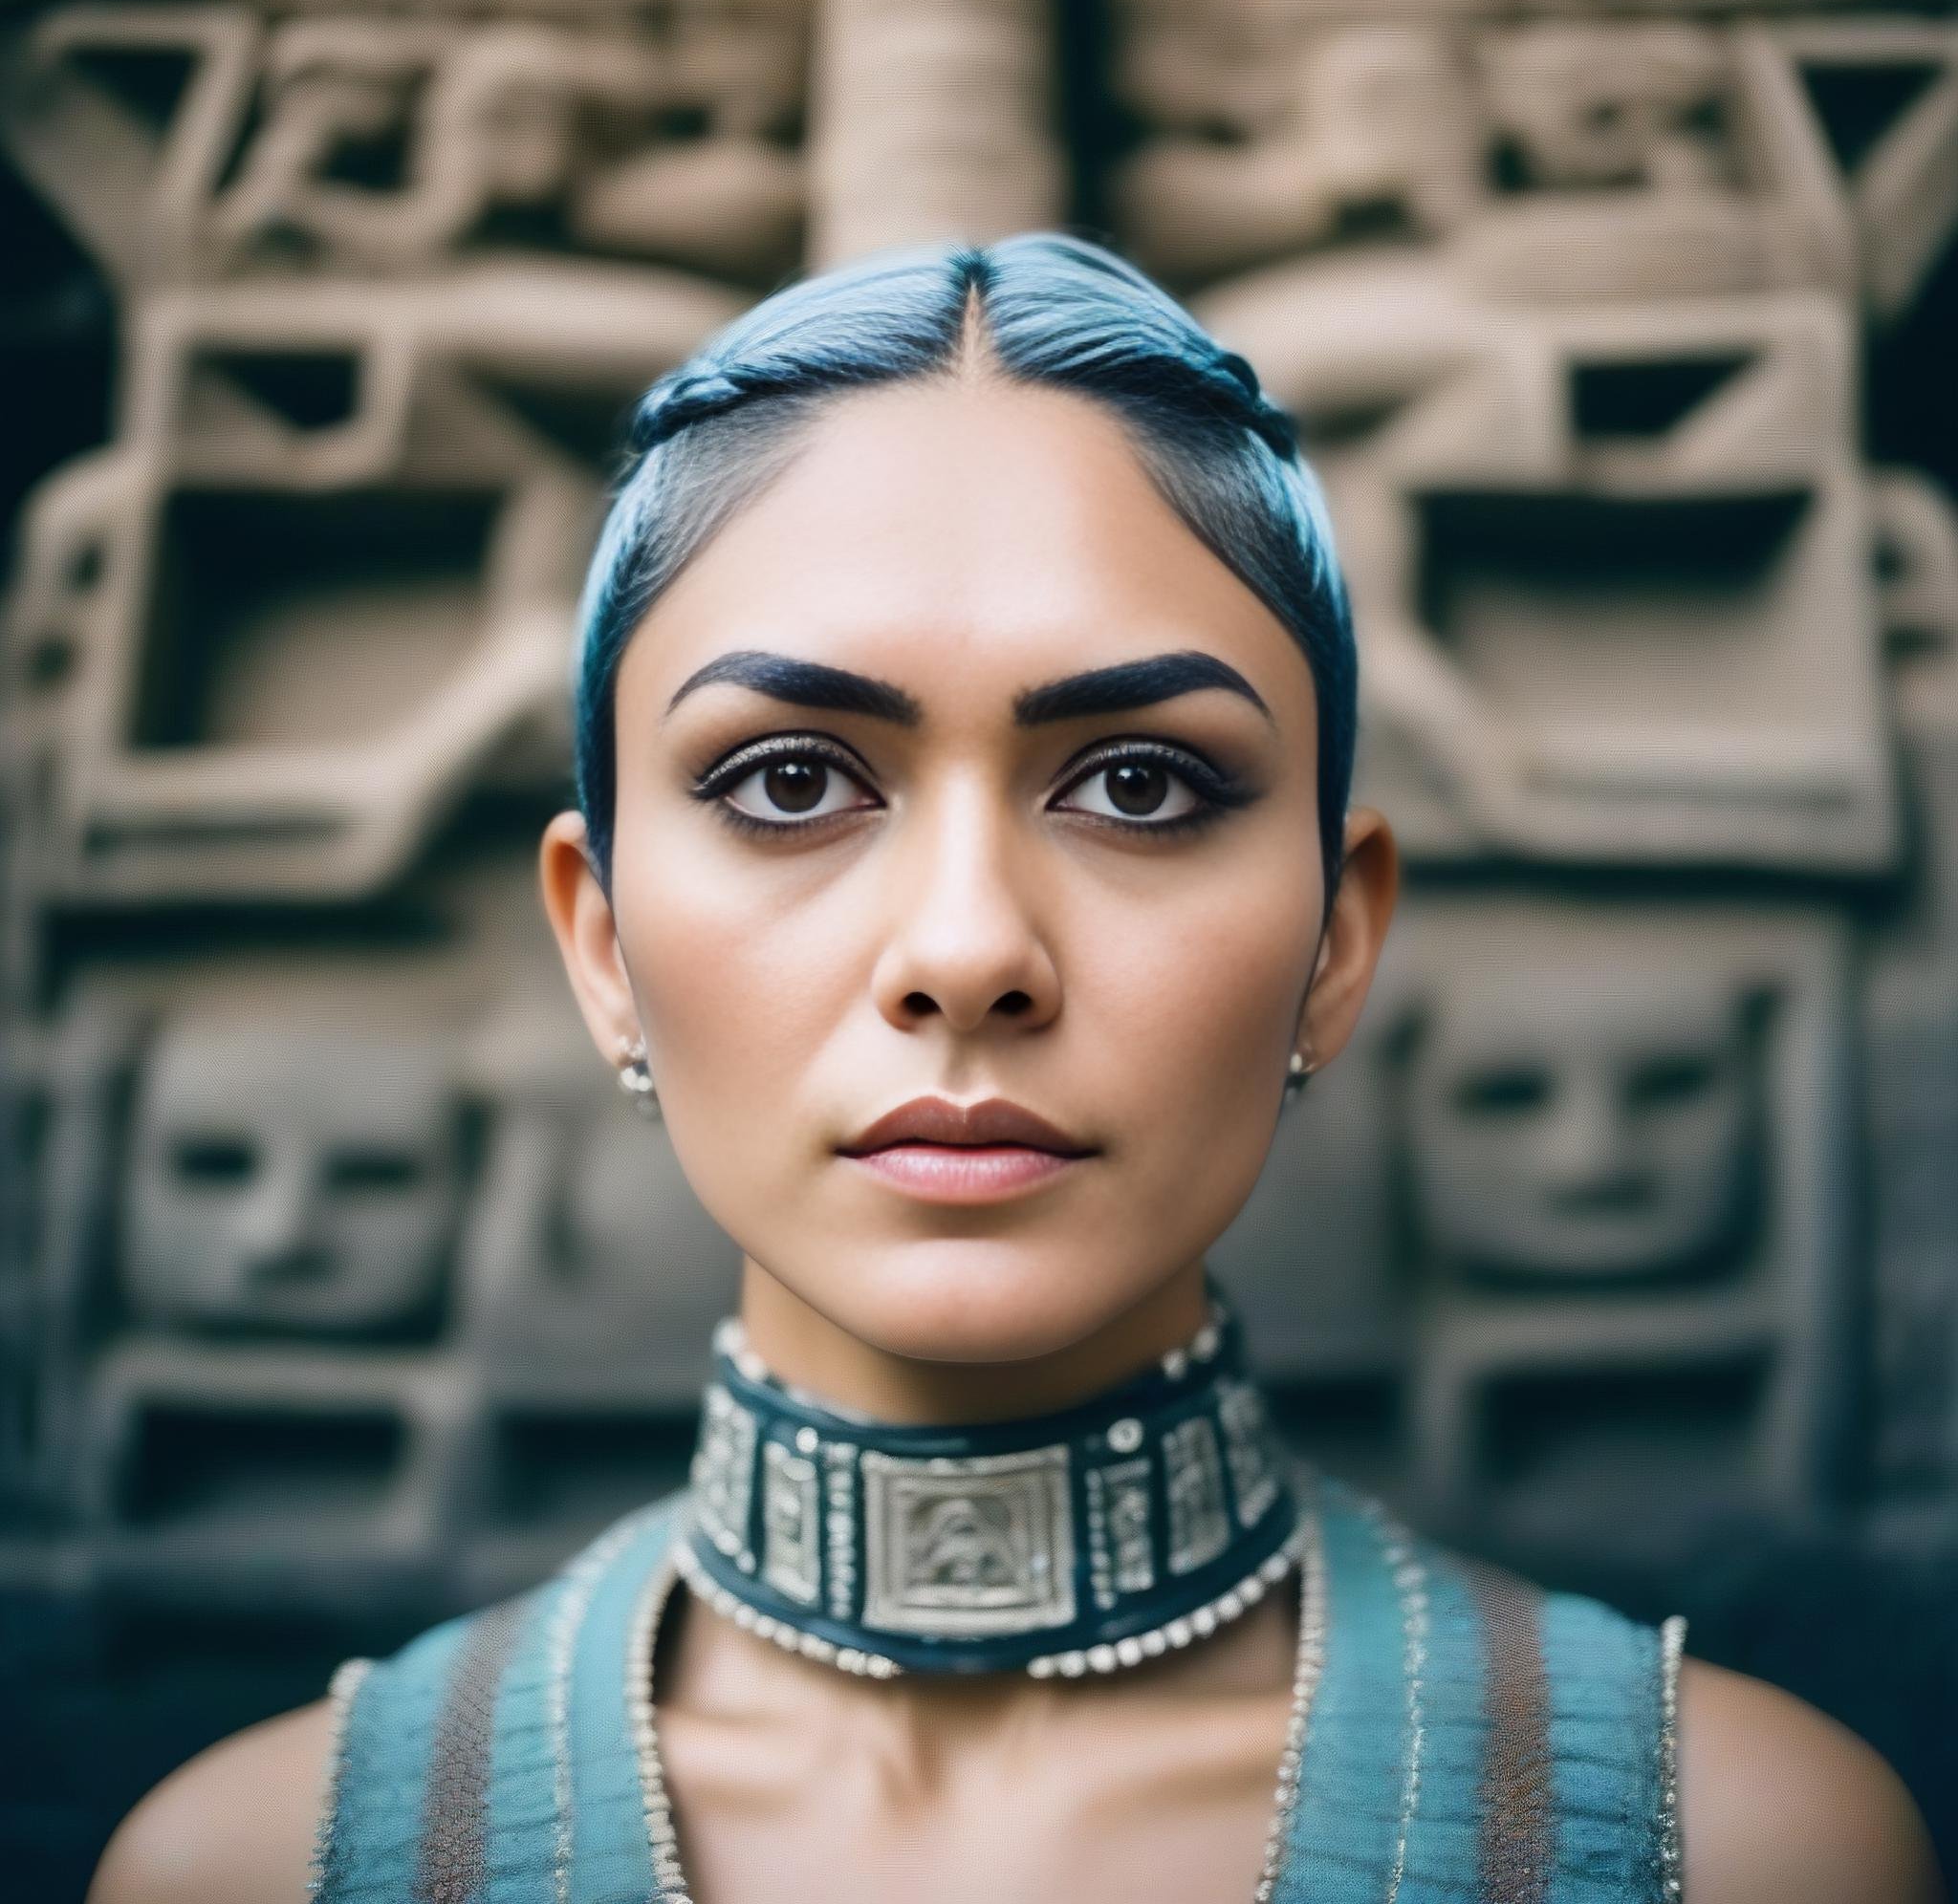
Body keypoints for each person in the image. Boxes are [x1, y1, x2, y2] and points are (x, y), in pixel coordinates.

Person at [88, 233, 1943, 1904]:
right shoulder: (255, 1867)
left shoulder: (1745, 1851)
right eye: (791, 780)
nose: (968, 947)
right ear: (601, 943)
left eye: (1140, 783)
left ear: (1335, 938)